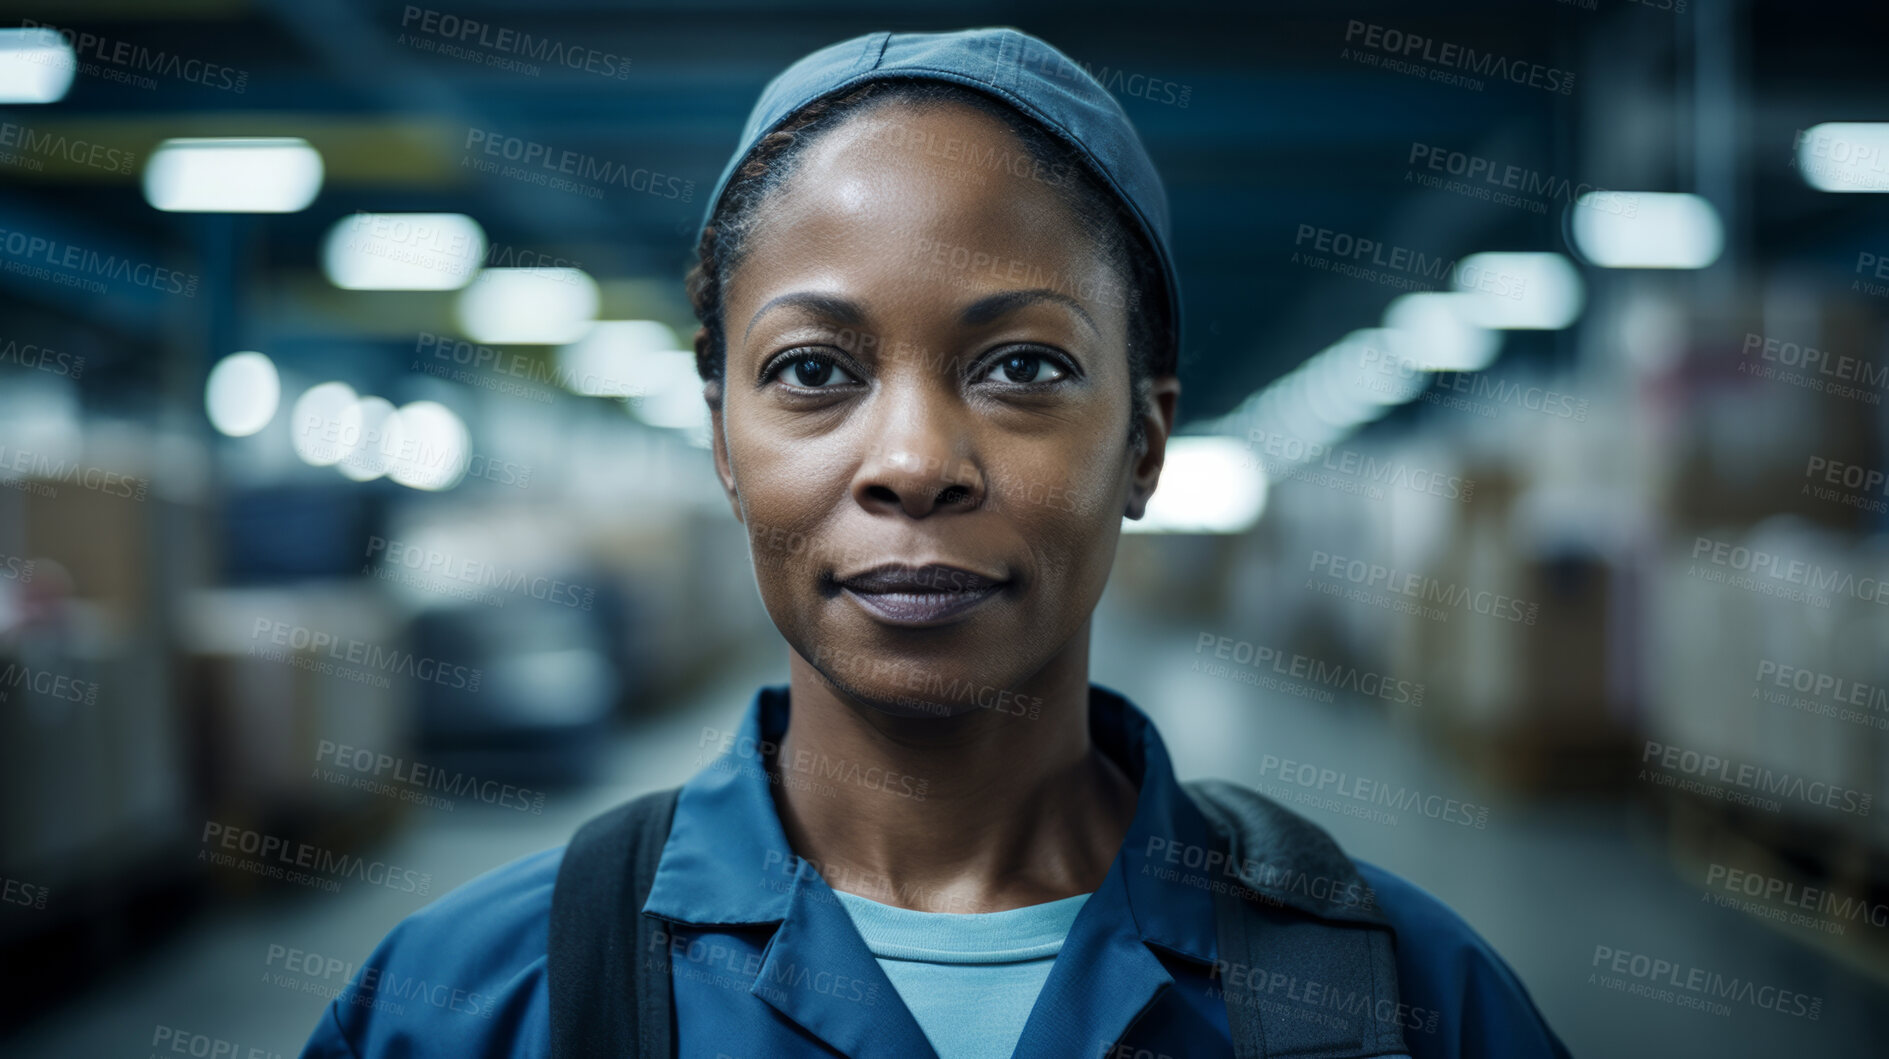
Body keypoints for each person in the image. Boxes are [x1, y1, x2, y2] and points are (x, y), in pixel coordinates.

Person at [298, 27, 1572, 1059]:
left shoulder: (1409, 1007)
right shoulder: (467, 1009)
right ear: (723, 442)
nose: (912, 463)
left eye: (1022, 365)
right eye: (811, 370)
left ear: (1142, 441)